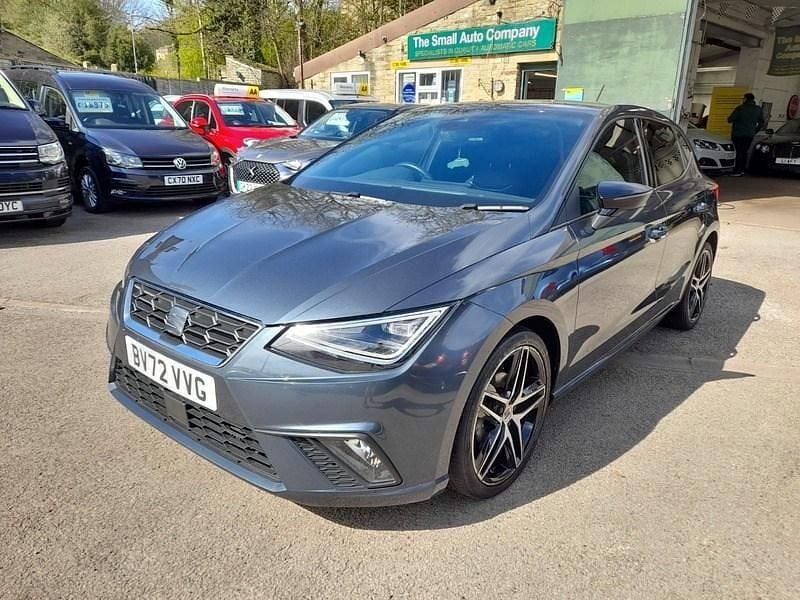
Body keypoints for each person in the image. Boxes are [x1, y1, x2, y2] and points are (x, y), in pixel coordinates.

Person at [727, 93, 765, 176]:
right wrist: (755, 130)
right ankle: (743, 170)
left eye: (743, 98)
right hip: (750, 134)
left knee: (738, 152)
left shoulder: (740, 108)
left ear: (746, 99)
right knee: (744, 152)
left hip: (738, 133)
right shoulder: (758, 109)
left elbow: (730, 119)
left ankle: (737, 170)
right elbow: (762, 122)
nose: (742, 100)